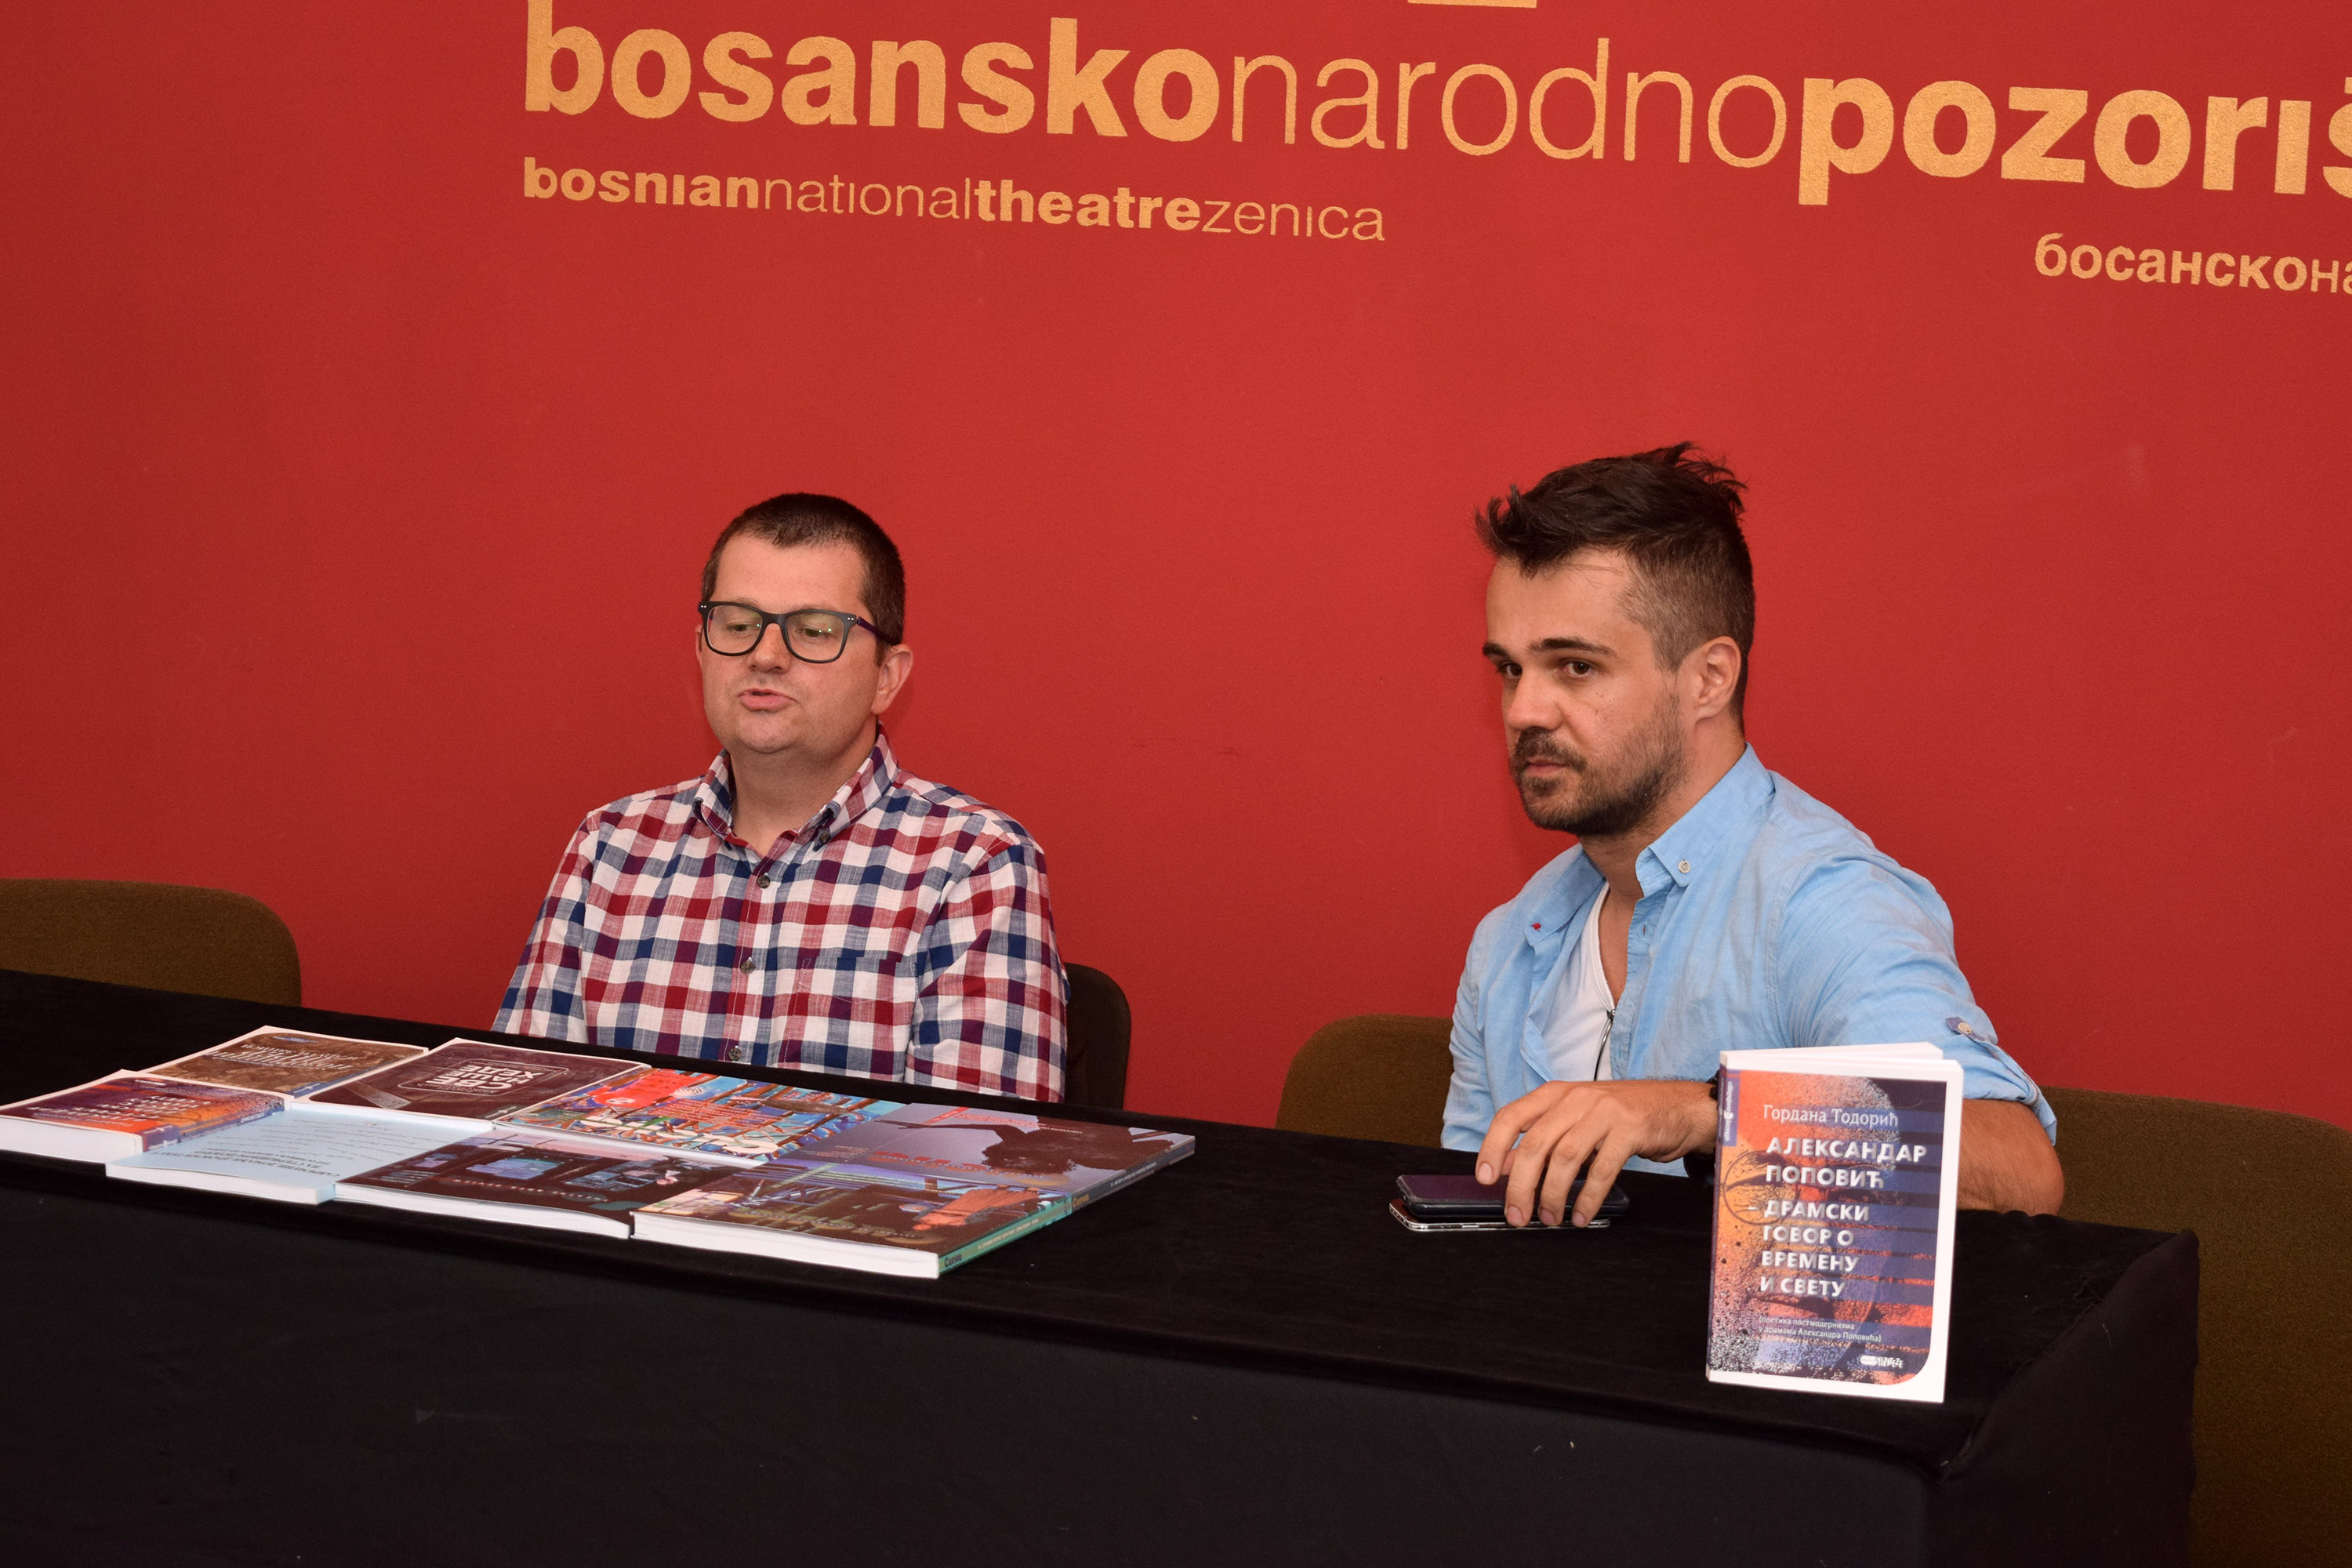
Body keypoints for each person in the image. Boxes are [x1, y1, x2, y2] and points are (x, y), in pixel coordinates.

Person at [1447, 445, 2063, 1227]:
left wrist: (1705, 1112)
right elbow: (1464, 1221)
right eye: (1510, 669)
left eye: (1575, 667)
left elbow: (2020, 1170)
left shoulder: (1821, 903)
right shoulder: (1510, 942)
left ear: (1709, 678)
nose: (1524, 710)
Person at [496, 493, 1067, 1099]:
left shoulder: (976, 865)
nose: (765, 656)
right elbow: (517, 1117)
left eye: (814, 631)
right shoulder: (609, 847)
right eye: (738, 625)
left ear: (887, 677)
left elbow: (975, 1150)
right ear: (701, 650)